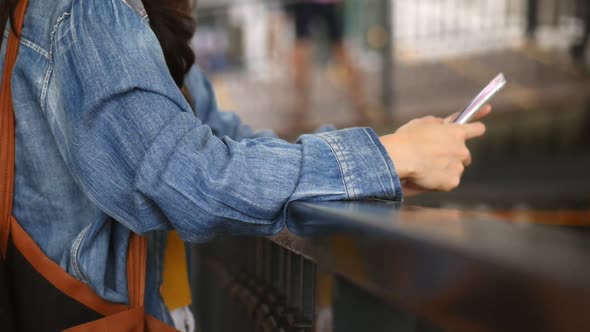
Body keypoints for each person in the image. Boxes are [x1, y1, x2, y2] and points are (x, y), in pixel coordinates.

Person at [0, 0, 489, 330]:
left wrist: (388, 160)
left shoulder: (139, 15)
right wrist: (384, 157)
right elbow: (191, 179)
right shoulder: (87, 11)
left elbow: (224, 142)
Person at [287, 0, 370, 127]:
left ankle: (361, 106)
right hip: (312, 5)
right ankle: (361, 106)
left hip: (320, 5)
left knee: (338, 52)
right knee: (303, 54)